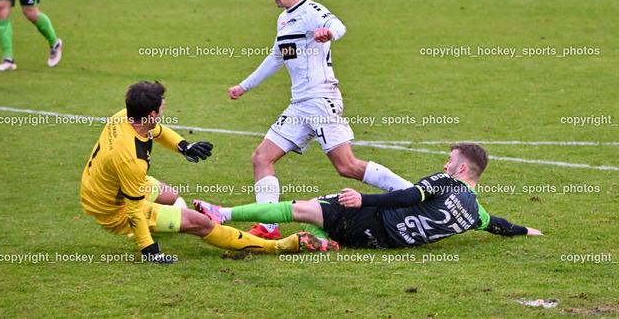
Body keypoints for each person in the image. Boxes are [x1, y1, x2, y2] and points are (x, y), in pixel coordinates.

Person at [228, 0, 413, 239]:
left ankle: (413, 194)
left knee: (347, 167)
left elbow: (338, 25)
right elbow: (277, 56)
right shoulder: (284, 18)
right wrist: (244, 86)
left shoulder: (313, 11)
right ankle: (268, 226)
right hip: (300, 104)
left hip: (320, 101)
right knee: (261, 157)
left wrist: (328, 33)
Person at [80, 80, 328, 263]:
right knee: (198, 221)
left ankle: (162, 222)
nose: (164, 110)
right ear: (151, 113)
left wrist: (184, 146)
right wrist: (150, 251)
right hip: (114, 207)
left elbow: (158, 131)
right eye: (162, 107)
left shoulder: (126, 117)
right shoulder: (131, 160)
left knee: (170, 195)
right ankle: (275, 247)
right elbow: (133, 209)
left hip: (99, 185)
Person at [195, 143, 542, 250]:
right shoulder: (475, 215)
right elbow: (500, 225)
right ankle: (321, 239)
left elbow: (406, 196)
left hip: (368, 219)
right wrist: (526, 230)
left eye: (450, 160)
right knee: (322, 211)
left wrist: (364, 199)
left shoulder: (445, 182)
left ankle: (222, 212)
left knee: (299, 208)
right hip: (379, 243)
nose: (446, 163)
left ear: (462, 169)